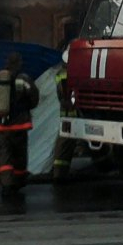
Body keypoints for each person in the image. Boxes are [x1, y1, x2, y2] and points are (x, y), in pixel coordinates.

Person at [0, 52, 40, 195]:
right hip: (19, 125)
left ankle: (6, 184)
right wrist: (25, 108)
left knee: (4, 155)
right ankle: (18, 182)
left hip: (1, 125)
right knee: (19, 154)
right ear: (19, 63)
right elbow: (34, 98)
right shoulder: (24, 80)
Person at [51, 47, 76, 186]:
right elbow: (67, 96)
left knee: (66, 144)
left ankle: (60, 172)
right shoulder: (66, 75)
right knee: (64, 143)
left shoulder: (61, 73)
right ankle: (59, 174)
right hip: (71, 114)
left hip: (68, 113)